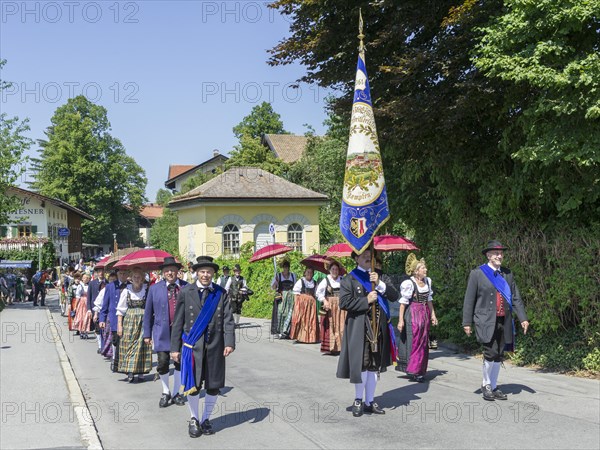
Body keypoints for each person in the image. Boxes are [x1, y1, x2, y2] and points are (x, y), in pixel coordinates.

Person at [171, 256, 235, 438]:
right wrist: (174, 348)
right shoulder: (186, 291)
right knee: (195, 385)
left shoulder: (220, 293)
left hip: (216, 345)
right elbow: (178, 322)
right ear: (197, 273)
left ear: (213, 273)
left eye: (209, 272)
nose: (205, 275)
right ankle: (194, 418)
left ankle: (206, 418)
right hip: (192, 346)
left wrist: (229, 342)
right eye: (202, 271)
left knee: (214, 385)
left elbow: (229, 321)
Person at [463, 240, 529, 401]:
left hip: (504, 320)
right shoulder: (477, 273)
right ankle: (486, 384)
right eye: (496, 253)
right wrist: (466, 322)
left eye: (501, 253)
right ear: (488, 255)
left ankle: (493, 386)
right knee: (490, 352)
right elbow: (469, 299)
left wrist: (523, 318)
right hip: (485, 320)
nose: (500, 256)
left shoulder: (507, 273)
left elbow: (515, 298)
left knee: (499, 353)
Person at [336, 249, 399, 417]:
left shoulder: (380, 276)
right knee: (362, 364)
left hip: (378, 328)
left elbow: (394, 296)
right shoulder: (350, 278)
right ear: (356, 258)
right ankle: (358, 399)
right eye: (362, 255)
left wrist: (379, 284)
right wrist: (366, 300)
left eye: (369, 255)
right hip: (360, 329)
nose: (366, 257)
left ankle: (370, 401)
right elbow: (344, 303)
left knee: (374, 365)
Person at [143, 256, 188, 408]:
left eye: (173, 270)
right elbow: (148, 313)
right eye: (167, 270)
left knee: (180, 363)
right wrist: (147, 334)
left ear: (177, 271)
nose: (170, 273)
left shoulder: (186, 287)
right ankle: (165, 391)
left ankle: (176, 393)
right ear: (163, 272)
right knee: (162, 363)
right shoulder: (154, 289)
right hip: (162, 332)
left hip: (182, 333)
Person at [396, 254, 438, 382]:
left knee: (424, 342)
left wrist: (433, 315)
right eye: (423, 268)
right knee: (415, 341)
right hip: (413, 314)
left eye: (425, 268)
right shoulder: (409, 283)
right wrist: (400, 320)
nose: (425, 270)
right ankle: (414, 370)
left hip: (424, 313)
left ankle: (420, 370)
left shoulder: (427, 281)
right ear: (416, 271)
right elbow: (403, 303)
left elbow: (429, 300)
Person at [116, 267, 152, 383]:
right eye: (135, 277)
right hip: (129, 321)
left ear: (142, 279)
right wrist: (119, 326)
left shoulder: (147, 290)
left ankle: (140, 371)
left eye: (139, 277)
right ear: (131, 278)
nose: (137, 279)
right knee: (129, 345)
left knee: (142, 345)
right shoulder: (126, 291)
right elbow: (120, 310)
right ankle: (130, 371)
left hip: (143, 320)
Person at [99, 268, 130, 370]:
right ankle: (114, 358)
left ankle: (127, 362)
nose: (122, 275)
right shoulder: (110, 286)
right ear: (117, 274)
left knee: (127, 340)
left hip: (129, 318)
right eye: (120, 273)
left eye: (124, 273)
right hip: (114, 318)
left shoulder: (131, 285)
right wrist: (102, 319)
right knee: (116, 340)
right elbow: (105, 304)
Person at [317, 260, 346, 354]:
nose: (335, 271)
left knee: (341, 326)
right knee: (332, 326)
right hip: (330, 307)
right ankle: (331, 347)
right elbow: (318, 293)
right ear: (329, 270)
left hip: (341, 307)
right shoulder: (326, 280)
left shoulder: (342, 280)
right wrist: (325, 301)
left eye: (336, 269)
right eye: (333, 269)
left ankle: (341, 347)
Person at [289, 267, 320, 343]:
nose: (309, 274)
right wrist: (298, 305)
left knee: (311, 321)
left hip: (311, 305)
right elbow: (296, 293)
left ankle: (311, 338)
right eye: (308, 272)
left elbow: (317, 294)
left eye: (311, 272)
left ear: (313, 274)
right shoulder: (301, 281)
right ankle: (301, 337)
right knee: (302, 320)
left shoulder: (315, 283)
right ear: (305, 273)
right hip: (302, 305)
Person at [270, 259, 296, 338]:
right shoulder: (278, 276)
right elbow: (273, 287)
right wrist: (276, 282)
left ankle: (287, 331)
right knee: (281, 313)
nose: (286, 268)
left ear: (289, 267)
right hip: (281, 298)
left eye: (287, 267)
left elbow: (295, 286)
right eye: (284, 267)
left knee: (289, 313)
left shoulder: (293, 276)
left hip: (290, 297)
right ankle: (279, 330)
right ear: (282, 267)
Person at [94, 271, 118, 356]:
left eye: (114, 279)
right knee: (109, 336)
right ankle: (111, 353)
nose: (112, 281)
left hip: (118, 316)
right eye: (111, 280)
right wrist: (97, 315)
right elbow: (100, 304)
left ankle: (115, 356)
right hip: (109, 316)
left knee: (116, 338)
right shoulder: (105, 289)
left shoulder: (121, 288)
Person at [87, 267, 106, 352]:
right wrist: (89, 309)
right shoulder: (92, 283)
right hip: (95, 308)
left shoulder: (108, 282)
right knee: (97, 327)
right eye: (99, 271)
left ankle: (104, 344)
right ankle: (100, 345)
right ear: (96, 273)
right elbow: (89, 297)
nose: (101, 273)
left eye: (102, 271)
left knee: (105, 327)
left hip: (104, 307)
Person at [74, 273, 92, 339]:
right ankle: (81, 331)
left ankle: (86, 332)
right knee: (81, 317)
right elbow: (78, 297)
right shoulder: (80, 286)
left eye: (87, 278)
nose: (85, 279)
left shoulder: (90, 285)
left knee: (87, 318)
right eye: (84, 278)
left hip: (88, 302)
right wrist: (75, 306)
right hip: (82, 303)